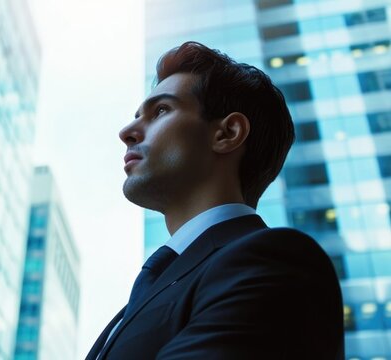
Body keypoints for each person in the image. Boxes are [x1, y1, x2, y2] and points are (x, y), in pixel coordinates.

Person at [86, 42, 344, 359]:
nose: (127, 131)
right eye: (137, 116)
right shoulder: (146, 296)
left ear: (228, 133)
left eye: (161, 110)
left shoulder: (271, 263)